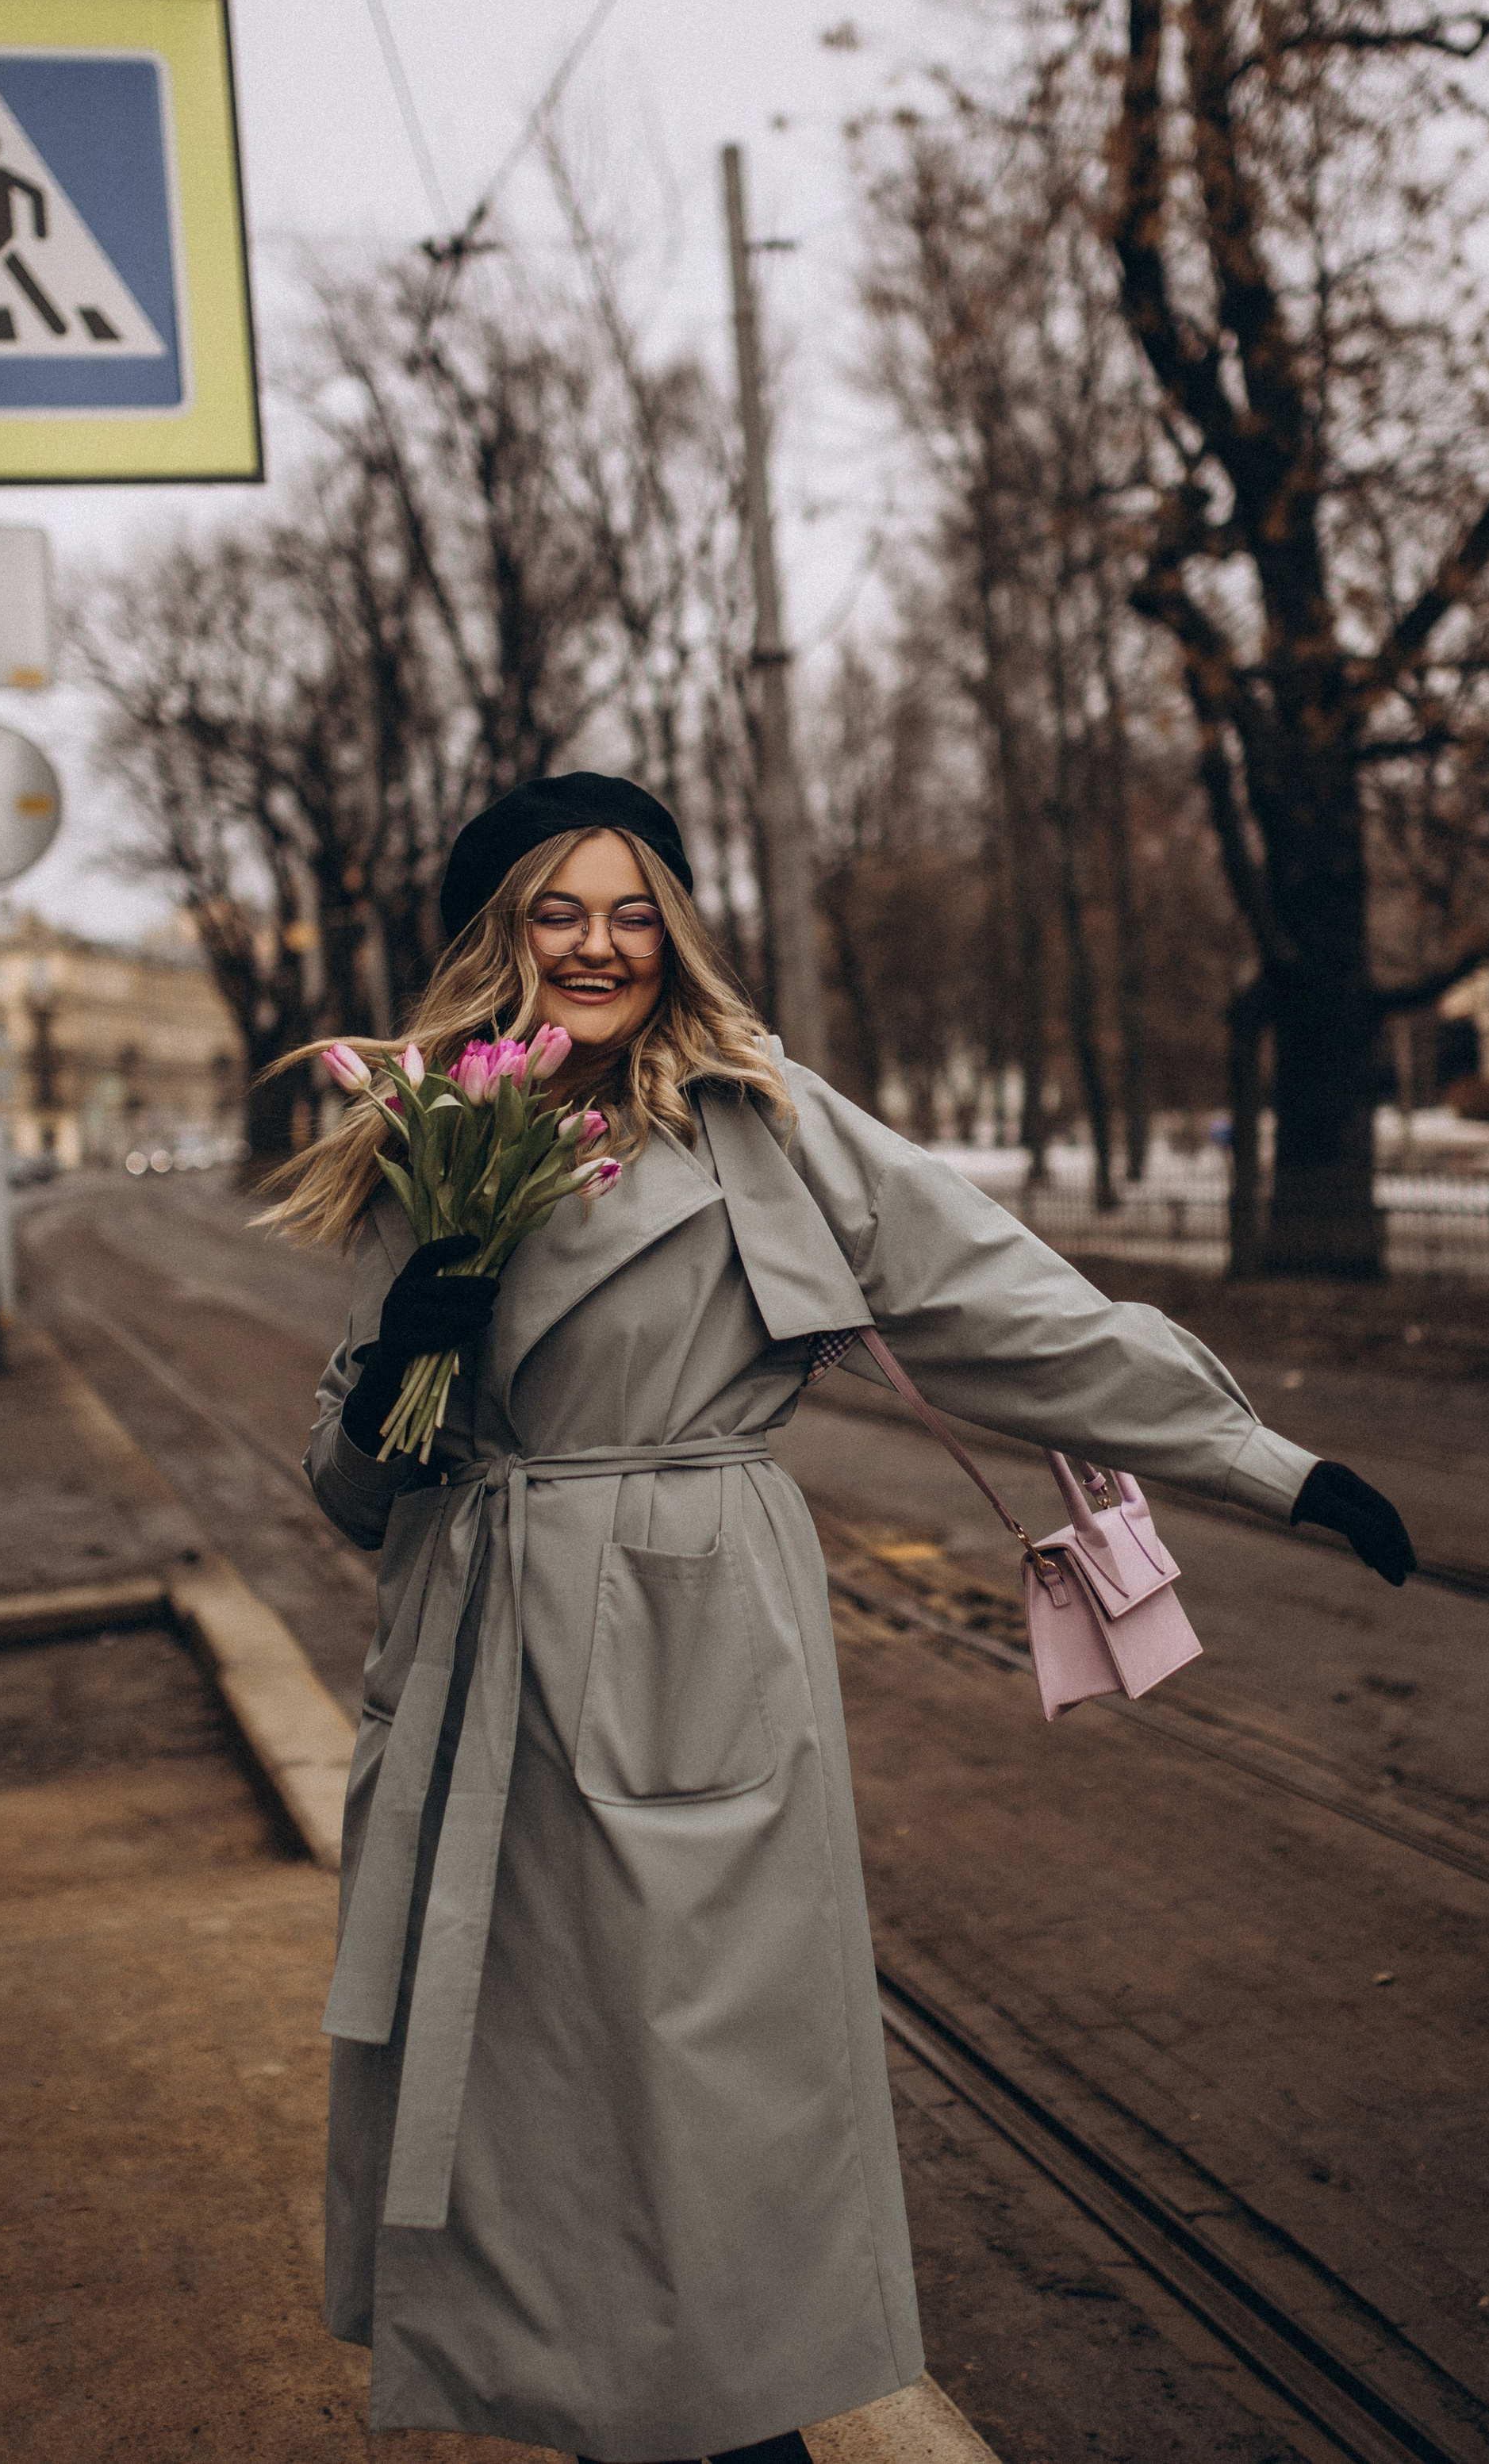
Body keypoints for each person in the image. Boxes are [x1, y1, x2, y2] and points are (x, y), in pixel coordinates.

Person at [273, 772, 1413, 2461]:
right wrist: (395, 1373)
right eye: (557, 909)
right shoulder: (422, 1130)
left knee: (700, 2106)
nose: (601, 943)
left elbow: (1005, 1303)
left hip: (684, 1642)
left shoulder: (760, 1115)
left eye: (632, 906)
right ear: (494, 936)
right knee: (547, 2126)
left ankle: (730, 2432)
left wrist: (1268, 1462)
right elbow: (349, 1487)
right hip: (473, 1660)